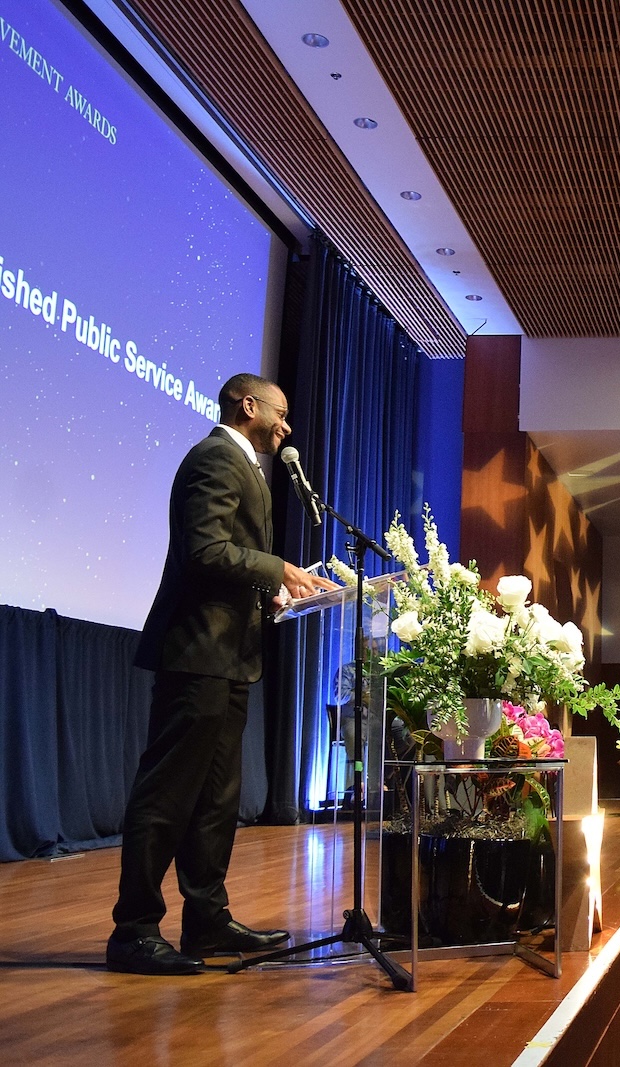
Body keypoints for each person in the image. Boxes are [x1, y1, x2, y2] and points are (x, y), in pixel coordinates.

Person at [108, 374, 337, 976]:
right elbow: (205, 551)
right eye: (280, 413)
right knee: (166, 795)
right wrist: (277, 569)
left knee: (216, 800)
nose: (287, 427)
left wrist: (275, 594)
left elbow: (228, 563)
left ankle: (207, 919)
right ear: (249, 406)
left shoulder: (249, 468)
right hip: (197, 654)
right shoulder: (215, 457)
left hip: (229, 657)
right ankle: (134, 930)